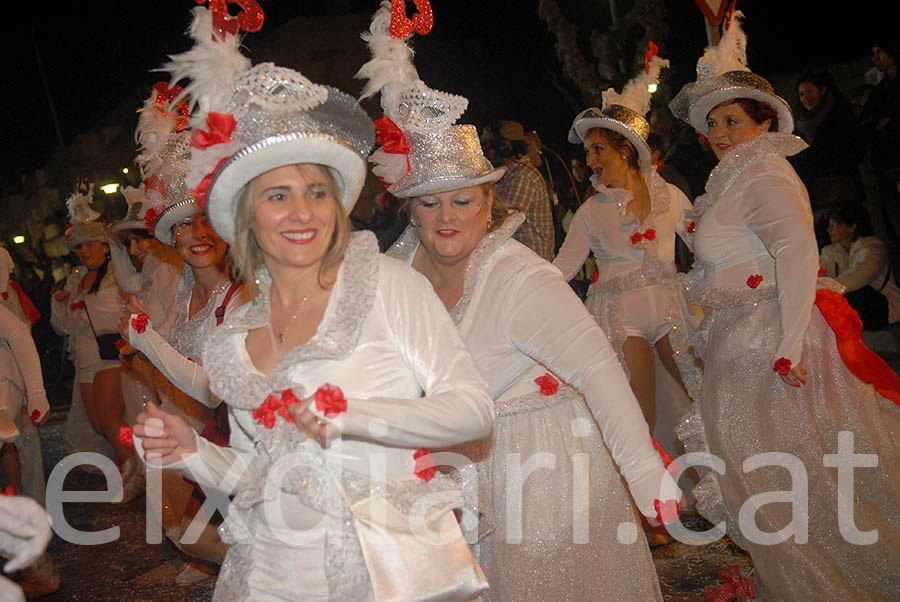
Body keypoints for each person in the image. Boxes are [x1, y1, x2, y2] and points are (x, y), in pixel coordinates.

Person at [133, 7, 493, 600]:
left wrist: (353, 417)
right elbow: (259, 478)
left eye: (317, 191)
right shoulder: (231, 338)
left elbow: (473, 410)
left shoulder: (387, 286)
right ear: (246, 215)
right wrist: (193, 451)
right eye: (279, 194)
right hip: (275, 577)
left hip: (390, 573)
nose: (303, 212)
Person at [362, 7, 679, 600]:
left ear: (488, 204)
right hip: (449, 472)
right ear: (410, 208)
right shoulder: (394, 274)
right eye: (431, 204)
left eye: (462, 201)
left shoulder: (519, 277)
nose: (447, 217)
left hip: (543, 466)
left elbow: (598, 371)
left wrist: (645, 476)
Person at [669, 14, 900, 599]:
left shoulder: (764, 172)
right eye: (713, 123)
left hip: (766, 339)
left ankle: (825, 582)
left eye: (732, 120)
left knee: (786, 472)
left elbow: (798, 255)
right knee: (765, 470)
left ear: (764, 121)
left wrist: (788, 345)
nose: (719, 132)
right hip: (737, 336)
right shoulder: (730, 178)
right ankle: (795, 580)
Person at [553, 52, 701, 438]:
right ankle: (645, 499)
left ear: (625, 150)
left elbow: (708, 245)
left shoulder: (670, 196)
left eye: (597, 149)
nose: (589, 160)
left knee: (701, 400)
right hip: (620, 318)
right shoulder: (591, 212)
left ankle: (710, 491)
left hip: (673, 311)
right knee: (638, 419)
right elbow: (559, 272)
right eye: (587, 152)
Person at [50, 182, 142, 502]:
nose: (85, 251)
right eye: (80, 247)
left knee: (112, 419)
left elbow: (135, 302)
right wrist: (60, 304)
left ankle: (137, 474)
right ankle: (131, 466)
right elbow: (62, 328)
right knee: (99, 423)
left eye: (91, 245)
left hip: (112, 353)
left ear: (105, 246)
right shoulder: (76, 280)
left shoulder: (118, 274)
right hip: (86, 359)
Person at [481, 120, 557, 261]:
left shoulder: (522, 178)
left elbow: (498, 224)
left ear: (504, 147)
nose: (485, 153)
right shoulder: (508, 176)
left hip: (532, 271)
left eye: (487, 146)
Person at [819, 204, 900, 330]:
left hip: (883, 311)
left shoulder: (873, 247)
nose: (828, 230)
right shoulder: (830, 252)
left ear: (852, 227)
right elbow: (818, 272)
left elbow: (860, 275)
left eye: (834, 225)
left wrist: (824, 288)